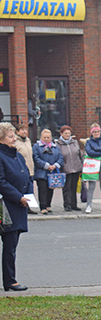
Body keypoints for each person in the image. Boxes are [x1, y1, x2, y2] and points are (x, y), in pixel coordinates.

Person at [0, 122, 33, 291]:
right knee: (9, 245)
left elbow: (27, 176)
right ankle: (10, 281)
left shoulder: (17, 155)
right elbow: (1, 182)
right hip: (6, 207)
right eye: (10, 136)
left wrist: (28, 195)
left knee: (11, 246)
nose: (14, 139)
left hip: (19, 206)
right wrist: (18, 197)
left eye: (14, 136)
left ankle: (10, 280)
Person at [31, 129, 62, 215]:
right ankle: (43, 207)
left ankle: (48, 205)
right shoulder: (37, 146)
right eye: (44, 137)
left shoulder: (55, 147)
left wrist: (55, 165)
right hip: (41, 172)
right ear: (41, 137)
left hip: (52, 172)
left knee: (50, 190)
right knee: (42, 189)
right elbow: (36, 158)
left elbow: (60, 158)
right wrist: (46, 166)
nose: (46, 139)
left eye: (48, 137)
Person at [84, 123, 101, 214]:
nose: (96, 133)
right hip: (92, 166)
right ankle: (89, 205)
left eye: (98, 131)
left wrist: (95, 149)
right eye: (94, 132)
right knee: (91, 187)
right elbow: (90, 152)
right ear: (91, 133)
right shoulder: (89, 142)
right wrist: (100, 151)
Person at [56, 125, 82, 212]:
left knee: (74, 187)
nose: (67, 135)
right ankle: (67, 204)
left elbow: (79, 154)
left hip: (76, 167)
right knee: (67, 187)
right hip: (66, 168)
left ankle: (74, 204)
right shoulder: (58, 144)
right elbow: (58, 156)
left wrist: (82, 164)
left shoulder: (74, 142)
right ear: (61, 134)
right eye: (65, 133)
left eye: (69, 133)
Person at [13, 123, 35, 215]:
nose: (25, 132)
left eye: (25, 130)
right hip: (21, 169)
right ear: (17, 132)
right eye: (22, 130)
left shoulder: (28, 141)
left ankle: (29, 206)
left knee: (30, 189)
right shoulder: (15, 142)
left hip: (30, 169)